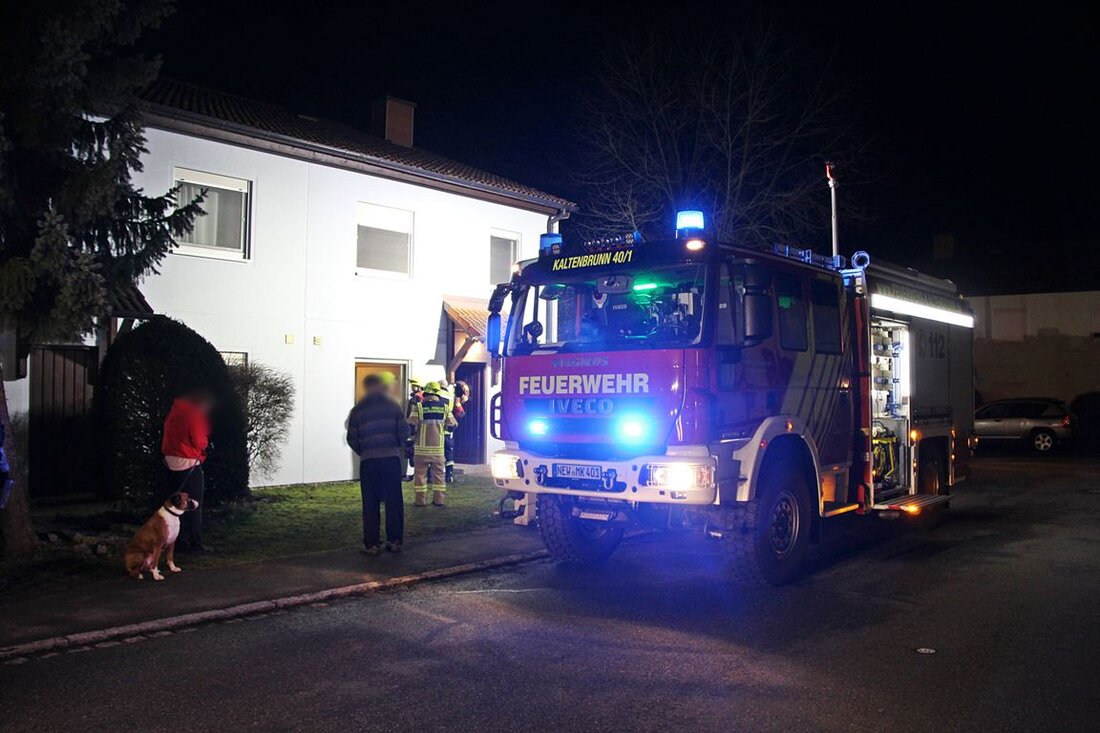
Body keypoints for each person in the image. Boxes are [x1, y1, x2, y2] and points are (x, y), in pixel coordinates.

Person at [347, 373, 409, 555]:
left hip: (369, 462)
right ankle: (395, 541)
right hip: (390, 460)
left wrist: (365, 451)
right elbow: (403, 432)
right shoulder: (393, 407)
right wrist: (396, 448)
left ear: (367, 388)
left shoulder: (358, 410)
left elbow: (352, 438)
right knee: (394, 502)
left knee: (370, 503)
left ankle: (372, 544)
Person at [161, 390, 213, 553]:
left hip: (170, 462)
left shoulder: (173, 414)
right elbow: (199, 441)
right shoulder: (194, 415)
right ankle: (196, 545)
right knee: (194, 505)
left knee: (177, 506)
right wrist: (204, 446)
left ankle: (180, 543)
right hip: (189, 463)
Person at [408, 381, 455, 507]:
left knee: (420, 476)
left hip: (421, 450)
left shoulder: (418, 407)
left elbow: (411, 426)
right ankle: (439, 500)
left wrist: (411, 440)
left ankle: (420, 501)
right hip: (438, 450)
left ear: (426, 393)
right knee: (439, 477)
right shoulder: (445, 408)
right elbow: (452, 426)